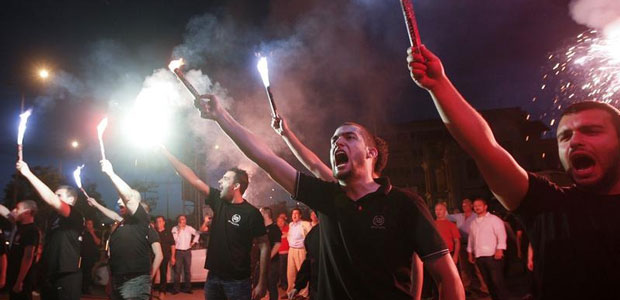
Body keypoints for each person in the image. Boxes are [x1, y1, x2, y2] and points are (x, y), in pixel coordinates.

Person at [193, 94, 464, 299]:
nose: (337, 143)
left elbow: (448, 279)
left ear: (372, 154)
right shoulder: (327, 197)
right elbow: (267, 159)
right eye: (334, 140)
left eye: (349, 137)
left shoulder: (405, 204)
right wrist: (222, 116)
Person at [408, 45, 620, 299]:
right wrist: (439, 85)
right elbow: (485, 148)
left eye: (591, 131)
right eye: (564, 136)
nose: (574, 141)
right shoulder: (548, 204)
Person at [160, 146, 269, 300]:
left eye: (225, 179)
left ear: (236, 186)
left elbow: (264, 246)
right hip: (213, 278)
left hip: (238, 282)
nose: (220, 181)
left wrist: (261, 282)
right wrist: (166, 153)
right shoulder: (219, 200)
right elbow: (194, 179)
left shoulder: (251, 213)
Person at [17, 161, 84, 300]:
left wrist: (28, 174)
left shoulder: (75, 215)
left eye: (59, 195)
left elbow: (51, 199)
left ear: (70, 199)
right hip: (49, 274)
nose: (55, 197)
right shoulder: (53, 217)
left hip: (66, 275)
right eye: (56, 195)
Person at [98, 160, 163, 300]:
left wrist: (111, 173)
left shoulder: (141, 219)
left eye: (121, 199)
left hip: (136, 281)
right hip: (117, 280)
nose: (119, 202)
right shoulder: (120, 225)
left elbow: (127, 197)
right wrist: (111, 279)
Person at [466, 199, 508, 300]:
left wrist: (500, 249)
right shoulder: (473, 223)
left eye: (479, 205)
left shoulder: (494, 219)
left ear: (485, 206)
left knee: (497, 282)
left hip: (492, 255)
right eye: (475, 206)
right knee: (488, 282)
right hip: (480, 256)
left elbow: (501, 234)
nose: (477, 207)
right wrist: (470, 253)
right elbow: (471, 238)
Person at [0, 201, 39, 300]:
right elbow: (7, 213)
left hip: (23, 281)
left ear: (27, 212)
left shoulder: (31, 231)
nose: (14, 211)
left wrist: (19, 281)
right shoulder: (19, 226)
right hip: (14, 277)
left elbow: (28, 257)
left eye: (17, 209)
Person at [448, 199, 487, 296]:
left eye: (466, 205)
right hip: (462, 244)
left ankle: (485, 288)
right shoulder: (459, 216)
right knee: (464, 268)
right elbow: (446, 216)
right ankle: (467, 288)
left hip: (474, 244)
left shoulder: (475, 216)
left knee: (478, 267)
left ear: (471, 206)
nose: (464, 207)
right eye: (463, 205)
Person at [285, 208, 311, 298]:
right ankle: (290, 292)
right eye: (293, 214)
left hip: (301, 250)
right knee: (290, 272)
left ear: (300, 215)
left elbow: (310, 236)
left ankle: (303, 294)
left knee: (302, 271)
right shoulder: (291, 224)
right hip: (291, 250)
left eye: (296, 214)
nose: (294, 215)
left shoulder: (305, 224)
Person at [170, 214, 199, 294]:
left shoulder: (189, 228)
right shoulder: (174, 228)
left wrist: (193, 242)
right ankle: (176, 289)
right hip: (178, 252)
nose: (183, 220)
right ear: (178, 221)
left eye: (184, 219)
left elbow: (197, 233)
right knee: (177, 271)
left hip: (187, 252)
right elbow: (174, 240)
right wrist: (179, 230)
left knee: (187, 271)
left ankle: (187, 288)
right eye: (181, 219)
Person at [258, 207, 282, 300]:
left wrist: (267, 257)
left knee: (272, 284)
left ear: (265, 214)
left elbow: (277, 245)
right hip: (262, 261)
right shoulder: (262, 228)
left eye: (261, 213)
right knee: (261, 283)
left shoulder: (274, 228)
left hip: (272, 262)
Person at [154, 216, 174, 294]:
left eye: (160, 221)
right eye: (157, 221)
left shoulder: (168, 232)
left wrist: (172, 256)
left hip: (164, 257)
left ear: (163, 222)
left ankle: (162, 292)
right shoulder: (153, 232)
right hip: (154, 257)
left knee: (163, 274)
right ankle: (150, 292)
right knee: (153, 274)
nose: (158, 223)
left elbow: (172, 245)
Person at [81, 219, 102, 295]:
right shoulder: (83, 233)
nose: (89, 226)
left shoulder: (96, 232)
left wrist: (92, 233)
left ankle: (87, 288)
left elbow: (98, 242)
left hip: (91, 256)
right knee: (83, 272)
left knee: (89, 272)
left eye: (90, 224)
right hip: (83, 256)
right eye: (87, 224)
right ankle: (83, 288)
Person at [276, 215, 289, 291]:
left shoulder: (288, 228)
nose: (280, 223)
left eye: (282, 221)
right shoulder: (275, 230)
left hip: (286, 252)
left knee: (284, 269)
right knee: (279, 269)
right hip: (278, 253)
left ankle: (285, 284)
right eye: (279, 221)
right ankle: (281, 282)